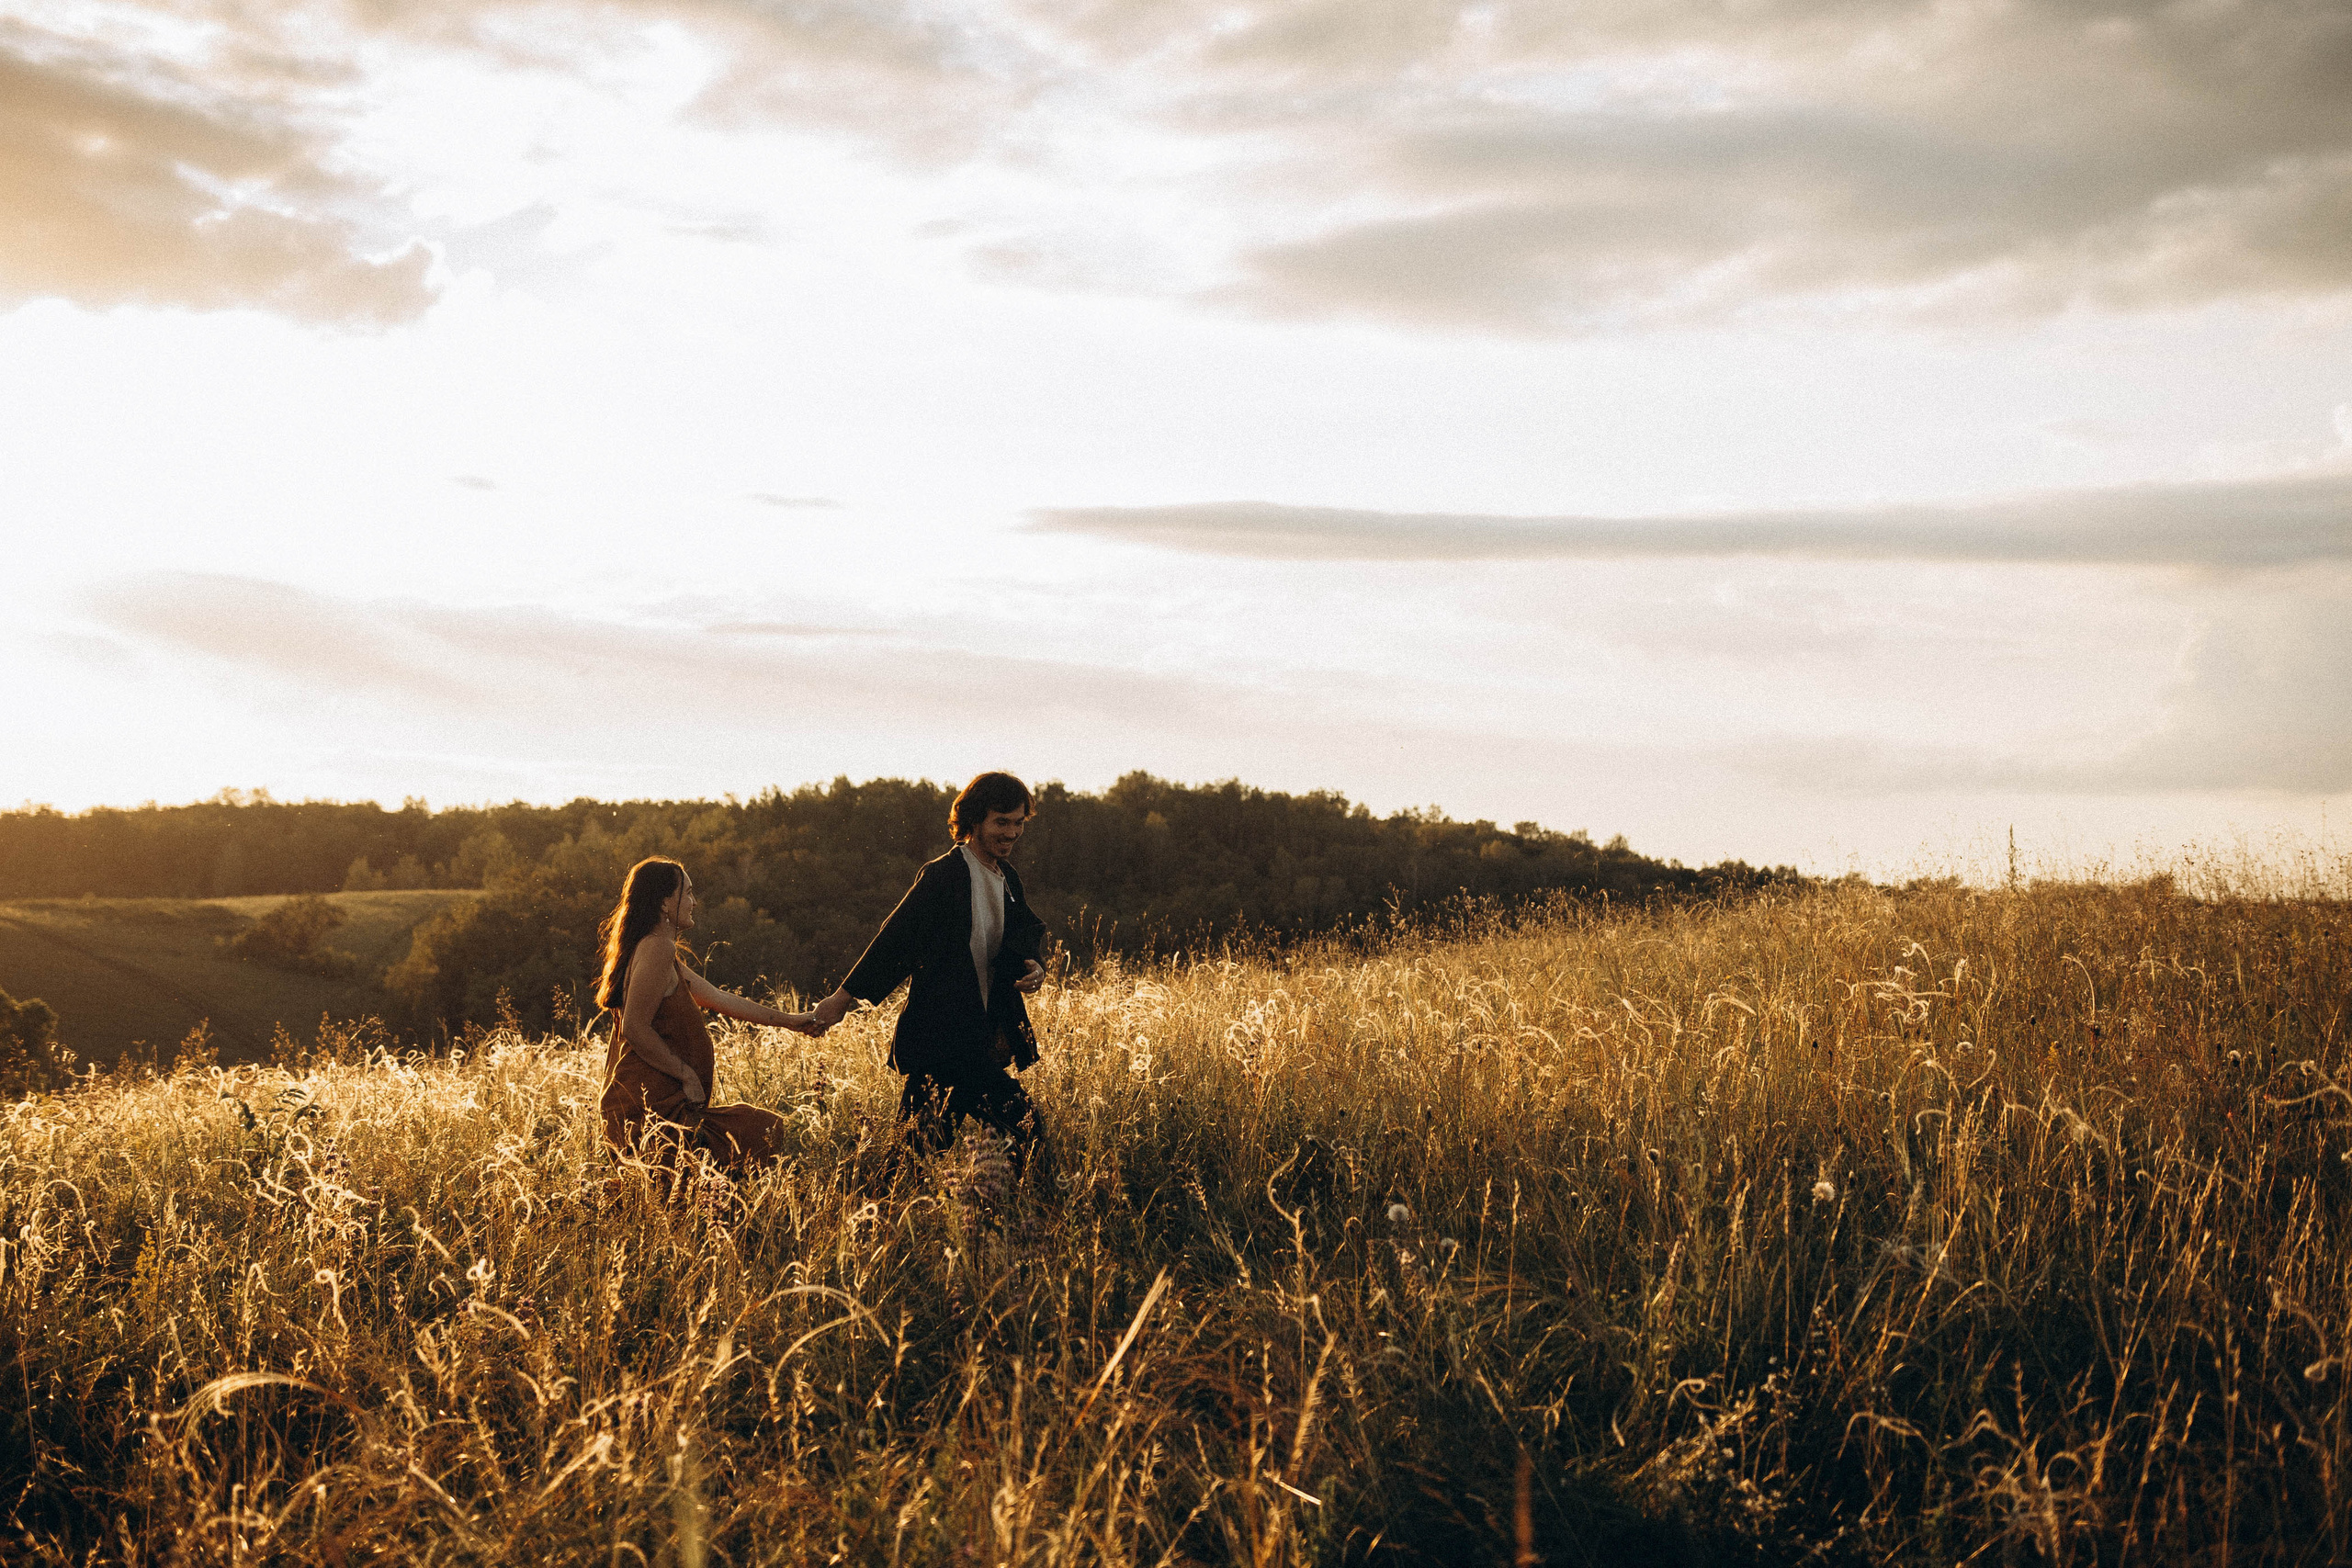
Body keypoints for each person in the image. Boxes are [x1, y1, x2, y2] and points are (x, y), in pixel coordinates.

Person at [809, 772, 1052, 1177]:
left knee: (917, 1149)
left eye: (1019, 823)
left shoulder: (1007, 878)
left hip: (979, 1033)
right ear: (975, 820)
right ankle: (1027, 1209)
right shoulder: (944, 875)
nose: (1011, 833)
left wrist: (1035, 965)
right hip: (944, 1034)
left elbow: (1023, 934)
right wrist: (843, 997)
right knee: (1021, 1124)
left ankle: (873, 1211)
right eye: (1002, 822)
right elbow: (896, 939)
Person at [595, 855, 817, 1173]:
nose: (694, 902)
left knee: (746, 1147)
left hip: (655, 1107)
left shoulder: (654, 951)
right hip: (650, 1111)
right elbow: (635, 1027)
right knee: (764, 1136)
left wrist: (792, 1021)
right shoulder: (658, 948)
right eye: (687, 893)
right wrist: (685, 1073)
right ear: (664, 904)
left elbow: (718, 998)